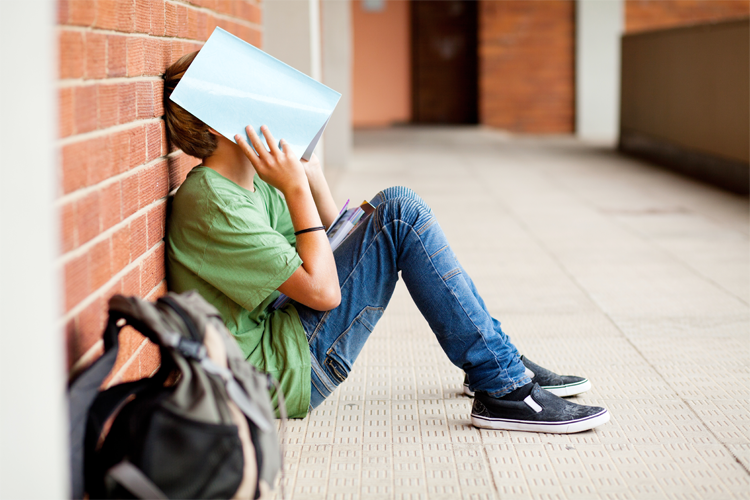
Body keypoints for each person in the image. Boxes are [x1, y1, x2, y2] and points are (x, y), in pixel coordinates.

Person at [163, 52, 609, 433]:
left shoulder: (248, 185)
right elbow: (324, 291)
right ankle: (503, 384)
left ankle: (496, 364)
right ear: (220, 122)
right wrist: (295, 189)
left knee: (395, 212)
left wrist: (312, 178)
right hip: (275, 374)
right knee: (399, 211)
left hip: (283, 336)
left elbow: (332, 242)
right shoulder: (213, 200)